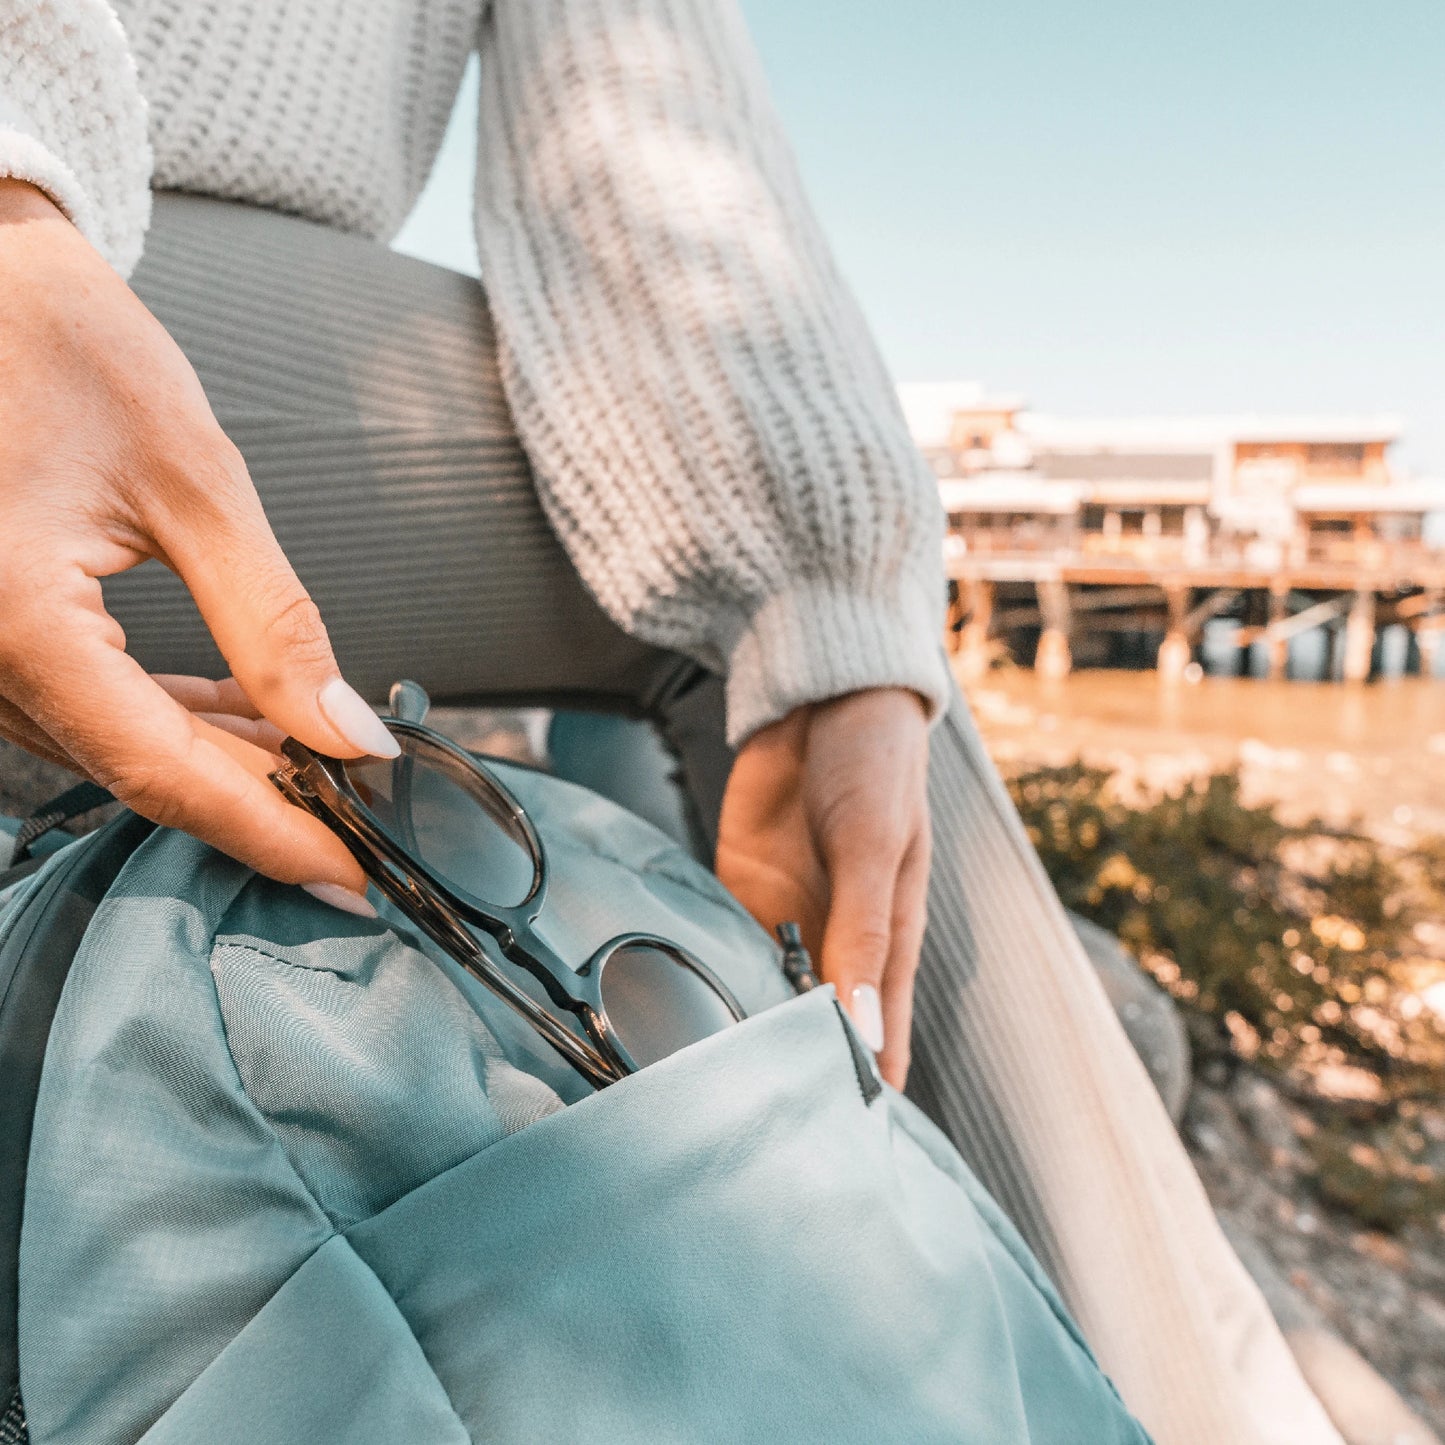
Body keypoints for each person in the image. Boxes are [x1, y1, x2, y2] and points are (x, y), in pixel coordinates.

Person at [0, 4, 1343, 1443]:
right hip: (53, 232)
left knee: (830, 683)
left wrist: (827, 596)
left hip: (232, 281)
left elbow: (632, 78)